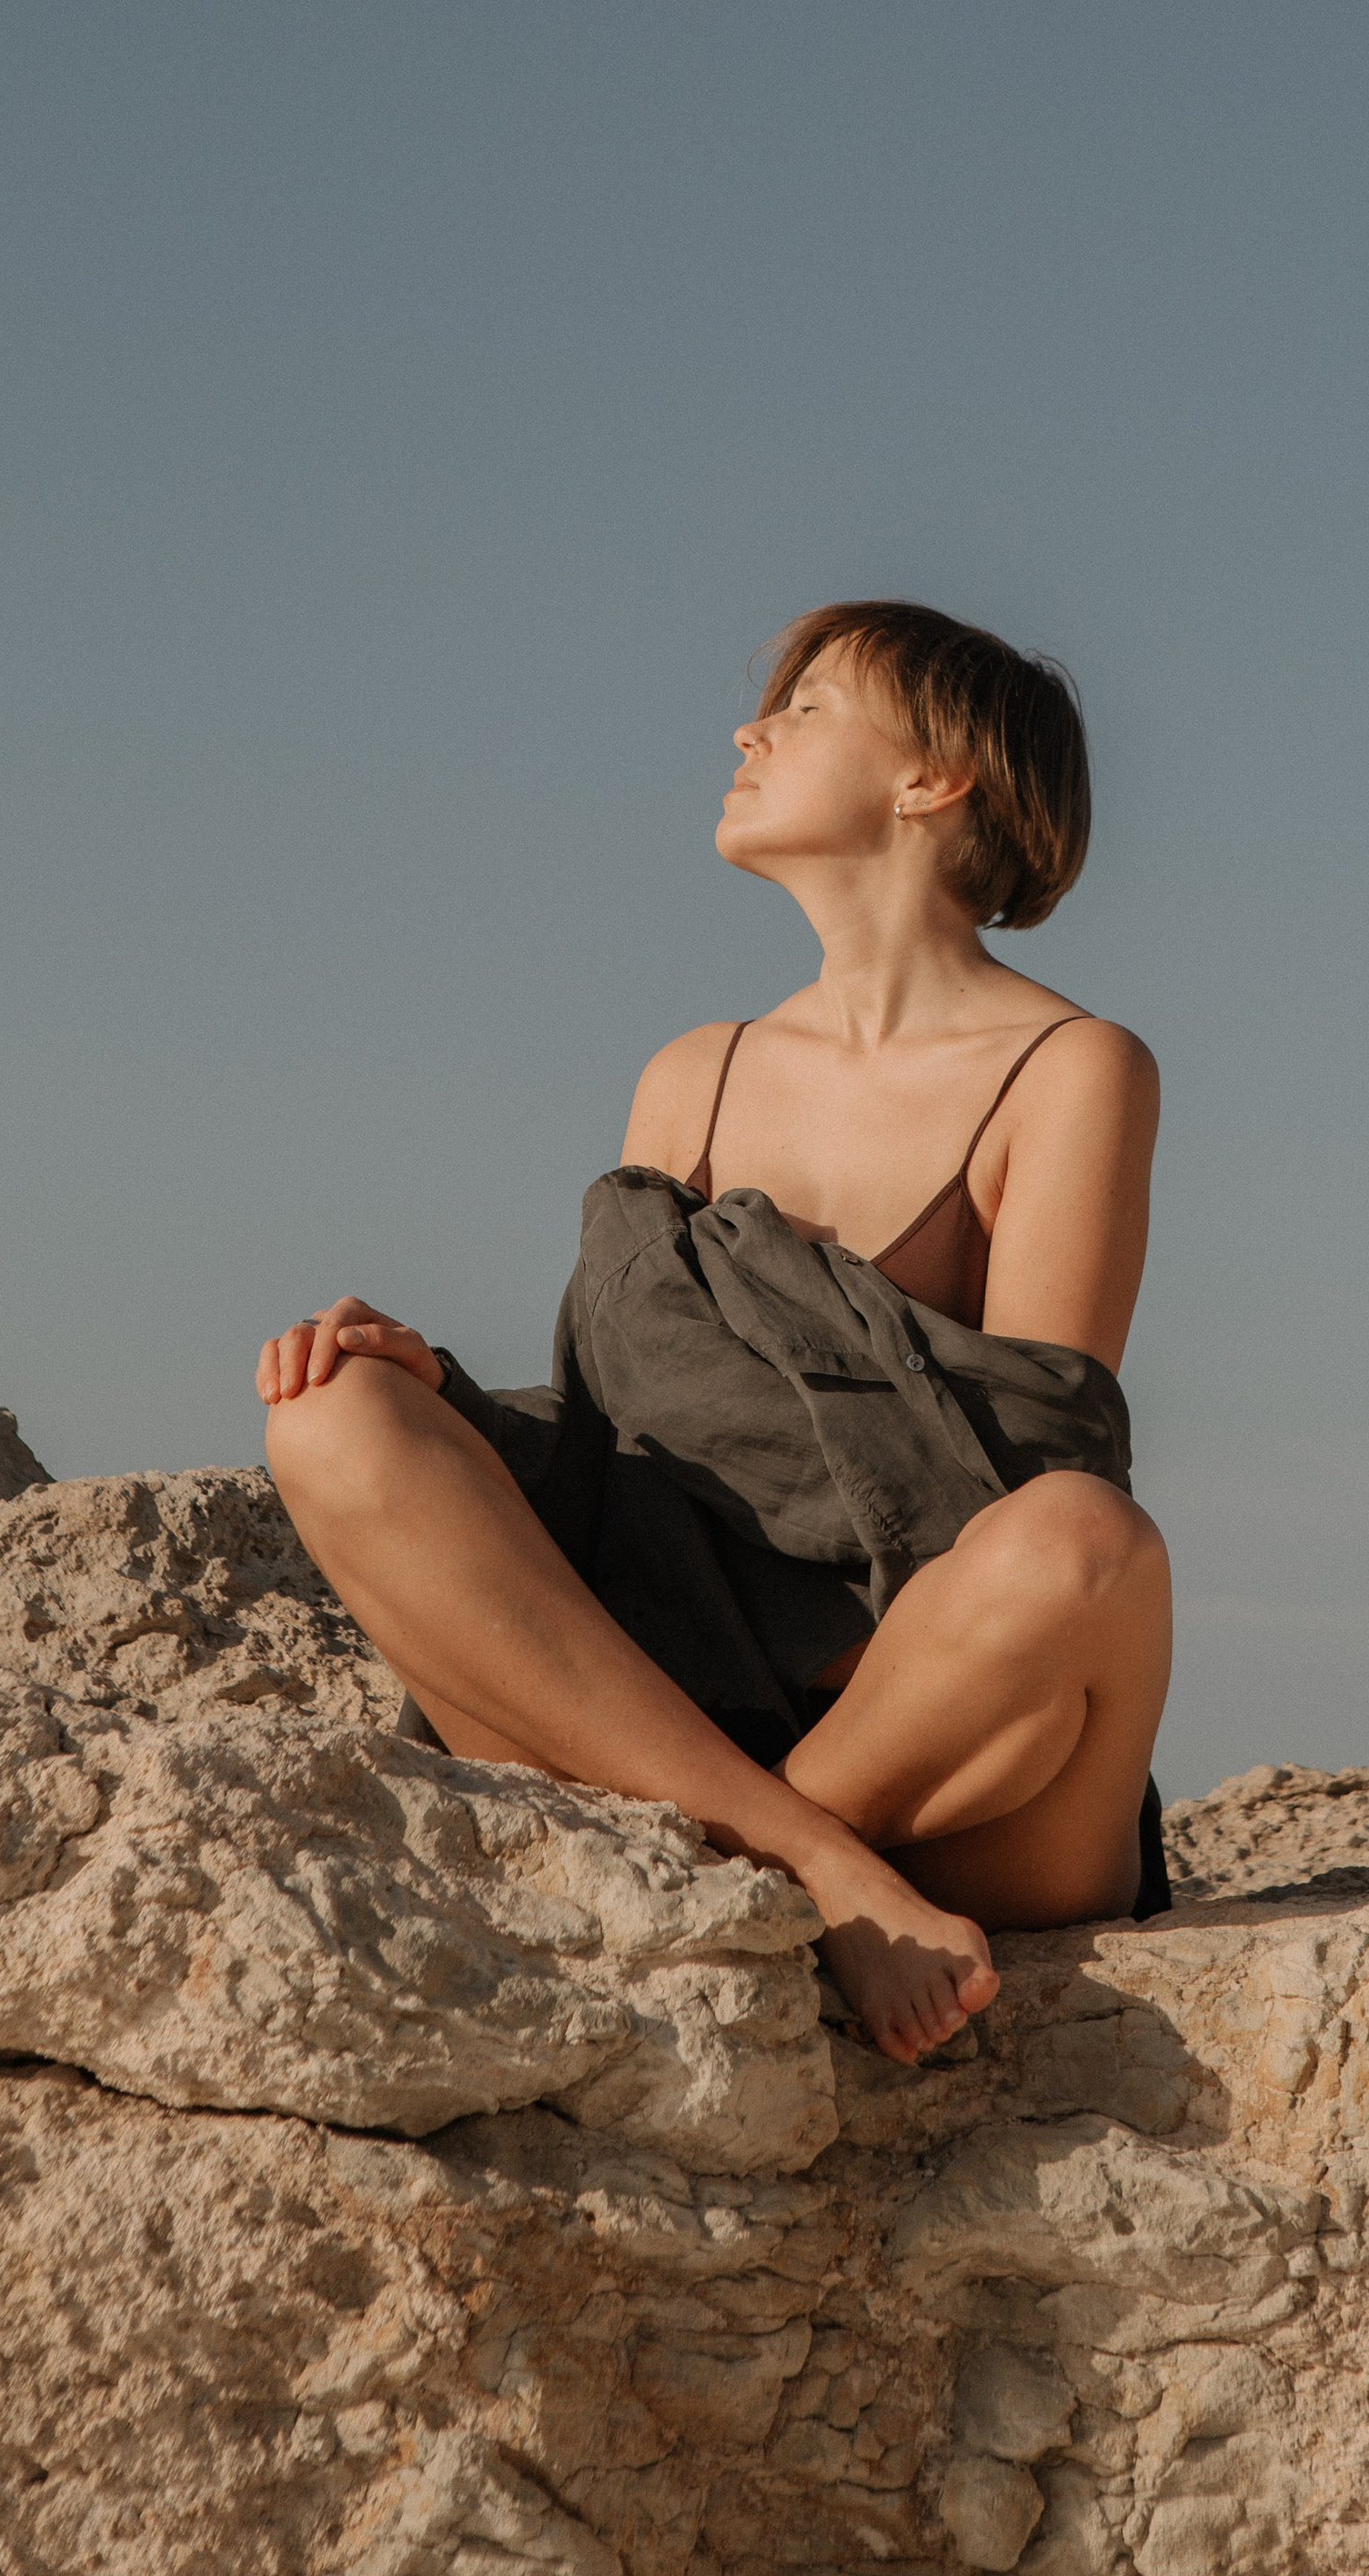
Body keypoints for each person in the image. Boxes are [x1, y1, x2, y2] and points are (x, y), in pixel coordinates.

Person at [260, 600, 1168, 2067]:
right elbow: (633, 1452)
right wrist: (449, 1404)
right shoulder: (697, 1074)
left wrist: (826, 1323)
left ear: (935, 778)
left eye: (806, 708)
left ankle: (780, 1845)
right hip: (671, 1720)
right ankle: (811, 1867)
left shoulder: (1071, 1069)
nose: (751, 732)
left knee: (1085, 1540)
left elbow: (1023, 1455)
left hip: (957, 1775)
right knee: (331, 1414)